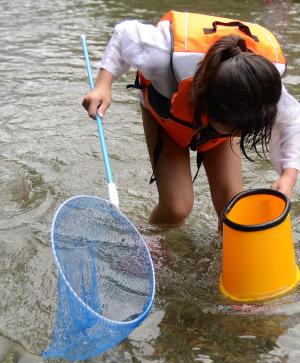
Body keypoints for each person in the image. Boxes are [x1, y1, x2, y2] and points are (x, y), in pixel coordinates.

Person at [82, 11, 300, 229]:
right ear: (207, 104)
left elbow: (293, 121)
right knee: (177, 206)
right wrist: (104, 83)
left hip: (227, 109)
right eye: (233, 130)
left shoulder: (263, 87)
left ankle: (225, 256)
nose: (238, 136)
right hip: (166, 113)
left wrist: (288, 175)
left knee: (232, 210)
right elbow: (125, 33)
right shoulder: (161, 55)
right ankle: (154, 244)